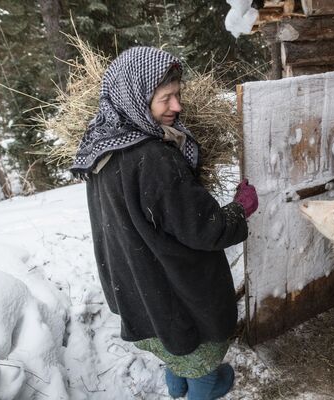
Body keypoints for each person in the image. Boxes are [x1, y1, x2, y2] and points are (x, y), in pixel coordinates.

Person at [71, 47, 258, 399]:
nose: (177, 107)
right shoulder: (154, 158)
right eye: (165, 98)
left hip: (138, 290)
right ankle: (203, 389)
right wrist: (240, 208)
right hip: (176, 292)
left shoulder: (99, 146)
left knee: (172, 350)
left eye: (178, 95)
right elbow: (208, 228)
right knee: (201, 364)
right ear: (137, 98)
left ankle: (176, 388)